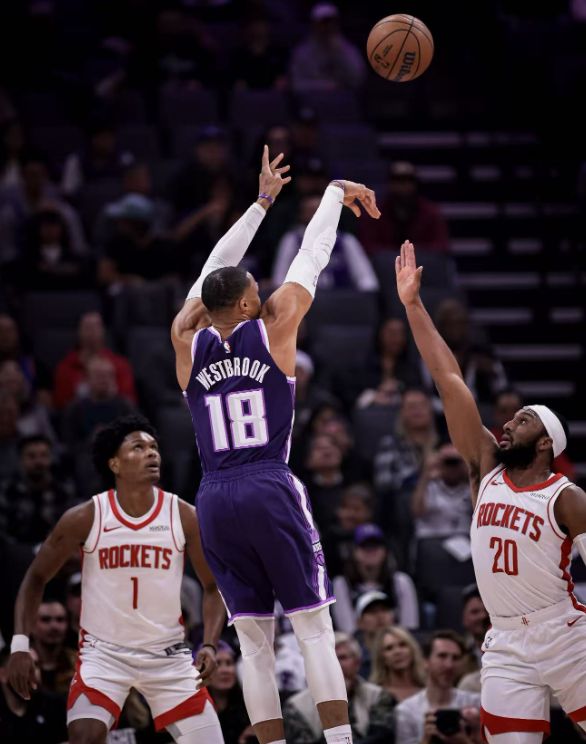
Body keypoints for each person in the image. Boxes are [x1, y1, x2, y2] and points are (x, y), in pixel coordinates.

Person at [171, 144, 380, 744]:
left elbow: (213, 269)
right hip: (267, 481)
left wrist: (262, 203)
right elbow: (311, 257)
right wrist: (334, 194)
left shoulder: (186, 338)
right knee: (314, 629)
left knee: (253, 643)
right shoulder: (275, 325)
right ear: (244, 302)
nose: (264, 288)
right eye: (254, 287)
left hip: (213, 495)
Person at [396, 239, 586, 742]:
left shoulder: (566, 497)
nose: (507, 424)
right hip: (503, 641)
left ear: (545, 443)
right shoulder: (486, 467)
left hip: (566, 635)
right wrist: (413, 306)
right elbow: (448, 378)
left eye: (521, 421)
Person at [7, 414, 226, 743]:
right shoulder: (86, 517)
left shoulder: (184, 516)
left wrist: (209, 643)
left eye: (154, 447)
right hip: (104, 655)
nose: (151, 453)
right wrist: (20, 645)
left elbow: (212, 587)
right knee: (84, 736)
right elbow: (35, 577)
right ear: (115, 464)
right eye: (138, 447)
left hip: (167, 656)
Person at [283, 632, 396, 744]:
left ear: (357, 662)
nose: (336, 665)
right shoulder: (296, 706)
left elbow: (382, 738)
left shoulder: (377, 696)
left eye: (342, 658)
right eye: (328, 659)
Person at [395, 630, 480, 744]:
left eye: (455, 658)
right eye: (442, 656)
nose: (449, 665)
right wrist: (426, 740)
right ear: (425, 661)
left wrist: (467, 739)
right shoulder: (407, 711)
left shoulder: (476, 703)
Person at [369, 626, 425, 703]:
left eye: (402, 645)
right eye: (389, 648)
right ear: (382, 658)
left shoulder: (428, 690)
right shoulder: (373, 694)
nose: (397, 652)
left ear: (412, 650)